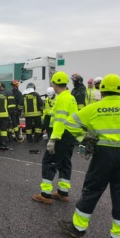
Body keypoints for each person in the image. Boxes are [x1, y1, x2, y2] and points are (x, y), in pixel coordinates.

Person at [57, 74, 120, 238]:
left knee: (92, 190)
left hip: (103, 153)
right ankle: (119, 234)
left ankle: (78, 227)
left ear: (101, 90)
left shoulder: (94, 108)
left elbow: (69, 123)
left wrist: (84, 137)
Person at [32, 71, 77, 204]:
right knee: (65, 163)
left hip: (60, 135)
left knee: (49, 161)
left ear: (55, 83)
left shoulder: (62, 98)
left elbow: (60, 120)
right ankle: (63, 192)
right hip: (69, 136)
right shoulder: (70, 97)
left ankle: (45, 194)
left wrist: (53, 138)